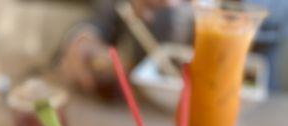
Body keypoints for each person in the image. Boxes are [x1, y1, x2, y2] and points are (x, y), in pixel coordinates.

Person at [59, 0, 288, 92]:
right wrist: (83, 39)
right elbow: (101, 17)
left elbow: (276, 14)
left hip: (251, 123)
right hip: (148, 111)